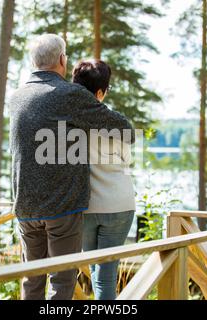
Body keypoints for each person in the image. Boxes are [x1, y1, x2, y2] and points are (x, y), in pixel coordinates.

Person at [8, 34, 134, 300]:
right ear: (62, 60)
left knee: (31, 280)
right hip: (61, 207)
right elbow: (123, 129)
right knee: (62, 283)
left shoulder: (17, 96)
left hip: (25, 205)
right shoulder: (70, 94)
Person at [72, 59, 136, 300]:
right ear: (100, 92)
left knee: (94, 268)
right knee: (107, 273)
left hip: (86, 205)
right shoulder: (117, 122)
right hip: (119, 204)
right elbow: (126, 160)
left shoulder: (70, 123)